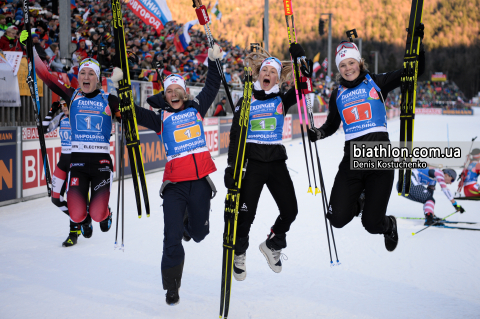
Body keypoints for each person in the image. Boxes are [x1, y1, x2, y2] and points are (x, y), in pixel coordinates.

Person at [110, 44, 223, 306]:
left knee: (198, 235)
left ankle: (188, 224)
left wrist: (214, 61)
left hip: (200, 184)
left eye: (177, 90)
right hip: (174, 186)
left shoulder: (197, 109)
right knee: (171, 238)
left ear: (185, 93)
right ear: (165, 95)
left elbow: (212, 86)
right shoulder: (160, 118)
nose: (173, 94)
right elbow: (132, 111)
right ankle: (172, 286)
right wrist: (120, 87)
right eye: (168, 91)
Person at [307, 38, 427, 252]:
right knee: (336, 218)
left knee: (372, 224)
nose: (347, 68)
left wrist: (418, 45)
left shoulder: (376, 82)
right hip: (352, 161)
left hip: (380, 160)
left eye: (351, 63)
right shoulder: (338, 93)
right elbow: (332, 124)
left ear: (359, 63)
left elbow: (414, 72)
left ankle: (389, 224)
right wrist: (319, 132)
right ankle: (360, 200)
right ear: (338, 68)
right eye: (342, 65)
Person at [225, 46, 302, 281]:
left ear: (278, 77)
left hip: (276, 161)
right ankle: (239, 253)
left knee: (291, 210)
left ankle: (273, 243)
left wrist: (300, 61)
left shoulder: (282, 98)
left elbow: (304, 84)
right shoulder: (246, 99)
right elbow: (236, 134)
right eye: (264, 70)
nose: (267, 74)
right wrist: (231, 166)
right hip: (252, 162)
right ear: (259, 74)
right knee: (246, 215)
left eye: (273, 71)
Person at [42, 98, 87, 246]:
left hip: (77, 162)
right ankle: (83, 218)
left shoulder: (78, 116)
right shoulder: (61, 117)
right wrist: (51, 111)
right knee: (55, 198)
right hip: (63, 161)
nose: (63, 107)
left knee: (72, 198)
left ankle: (73, 232)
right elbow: (43, 129)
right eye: (61, 105)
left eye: (66, 104)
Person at [398, 168, 464, 225]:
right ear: (447, 175)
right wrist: (455, 205)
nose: (450, 183)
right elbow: (445, 189)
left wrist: (432, 214)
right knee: (429, 199)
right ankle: (429, 219)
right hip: (407, 182)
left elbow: (429, 199)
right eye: (452, 180)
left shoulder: (433, 180)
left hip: (401, 187)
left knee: (429, 199)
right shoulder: (439, 172)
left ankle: (430, 216)